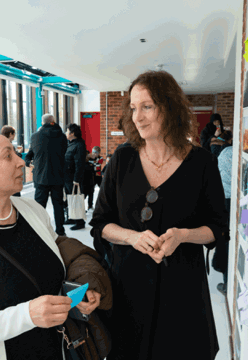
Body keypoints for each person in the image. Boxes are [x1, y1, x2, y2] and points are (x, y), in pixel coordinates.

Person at [89, 70, 228, 360]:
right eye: (133, 108)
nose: (138, 117)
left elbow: (218, 227)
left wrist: (184, 235)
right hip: (128, 289)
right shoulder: (122, 160)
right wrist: (132, 236)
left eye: (147, 106)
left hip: (182, 290)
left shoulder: (201, 162)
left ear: (169, 106)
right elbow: (101, 223)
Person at [0, 128, 106, 360]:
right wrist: (27, 315)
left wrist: (81, 292)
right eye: (8, 156)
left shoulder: (33, 212)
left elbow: (59, 262)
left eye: (17, 153)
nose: (21, 162)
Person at [25, 114, 68, 236]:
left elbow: (30, 155)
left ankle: (39, 230)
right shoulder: (62, 137)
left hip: (40, 176)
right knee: (58, 205)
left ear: (42, 123)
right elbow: (64, 152)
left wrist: (29, 162)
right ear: (53, 121)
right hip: (58, 176)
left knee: (39, 206)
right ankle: (60, 230)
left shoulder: (35, 136)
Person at [212, 132, 234, 294]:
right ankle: (228, 282)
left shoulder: (222, 154)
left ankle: (227, 282)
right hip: (238, 202)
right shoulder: (234, 153)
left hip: (224, 202)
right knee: (235, 236)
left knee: (226, 238)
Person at [64, 123, 87, 230]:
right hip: (68, 176)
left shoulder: (79, 145)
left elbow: (79, 163)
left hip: (74, 177)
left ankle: (80, 222)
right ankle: (72, 217)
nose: (66, 133)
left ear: (72, 133)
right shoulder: (70, 143)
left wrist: (76, 179)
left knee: (76, 198)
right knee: (70, 198)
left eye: (67, 131)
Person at [1, 125, 23, 197]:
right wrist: (19, 153)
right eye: (14, 134)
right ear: (10, 134)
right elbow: (14, 160)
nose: (14, 136)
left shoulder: (0, 145)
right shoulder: (9, 145)